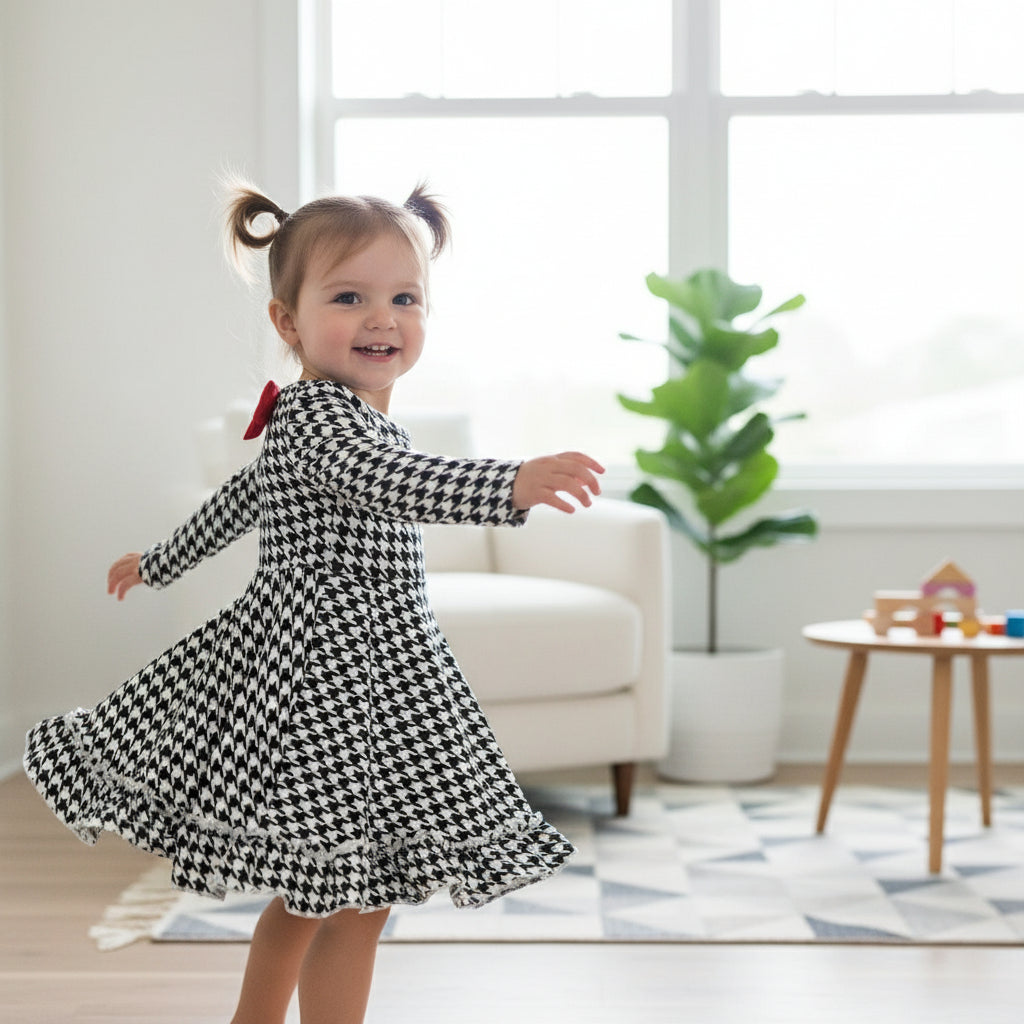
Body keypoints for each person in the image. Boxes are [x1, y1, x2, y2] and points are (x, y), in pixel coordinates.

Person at [23, 181, 605, 1024]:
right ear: (288, 324)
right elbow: (396, 484)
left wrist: (158, 560)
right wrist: (509, 482)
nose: (383, 318)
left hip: (386, 670)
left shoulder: (354, 420)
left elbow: (240, 501)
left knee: (363, 894)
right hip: (319, 673)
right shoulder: (318, 420)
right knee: (317, 888)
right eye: (349, 297)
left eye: (405, 298)